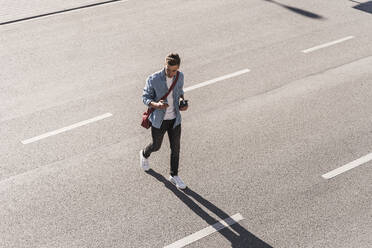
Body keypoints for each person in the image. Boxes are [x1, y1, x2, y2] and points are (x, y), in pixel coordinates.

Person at [140, 53, 189, 189]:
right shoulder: (153, 79)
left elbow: (179, 92)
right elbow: (145, 98)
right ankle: (144, 153)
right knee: (156, 146)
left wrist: (182, 102)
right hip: (159, 120)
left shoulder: (180, 77)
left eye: (174, 70)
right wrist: (157, 105)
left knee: (176, 148)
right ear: (164, 65)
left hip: (174, 119)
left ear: (178, 68)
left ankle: (174, 175)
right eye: (168, 69)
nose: (170, 73)